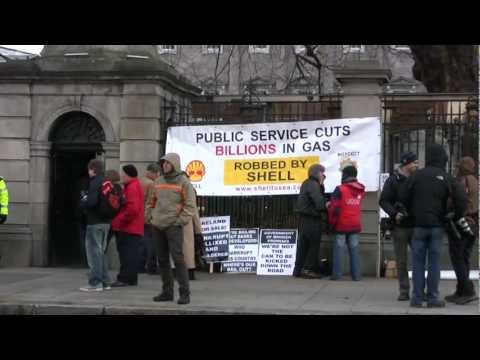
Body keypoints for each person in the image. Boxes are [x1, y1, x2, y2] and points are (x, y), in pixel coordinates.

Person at [400, 144, 468, 308]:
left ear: (427, 158)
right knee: (434, 263)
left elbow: (403, 197)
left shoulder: (416, 176)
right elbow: (461, 200)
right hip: (437, 225)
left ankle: (416, 299)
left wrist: (412, 212)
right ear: (442, 159)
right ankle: (432, 298)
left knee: (417, 263)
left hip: (418, 226)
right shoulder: (446, 177)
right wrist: (454, 215)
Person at [148, 153, 196, 305]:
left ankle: (184, 294)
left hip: (173, 226)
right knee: (162, 260)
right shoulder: (158, 181)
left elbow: (190, 205)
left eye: (168, 163)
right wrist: (150, 217)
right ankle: (167, 292)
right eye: (163, 163)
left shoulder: (184, 182)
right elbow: (150, 201)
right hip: (158, 225)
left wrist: (179, 221)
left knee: (178, 260)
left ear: (174, 164)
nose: (164, 166)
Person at [379, 152, 419, 301]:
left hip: (416, 225)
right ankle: (404, 290)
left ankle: (419, 290)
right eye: (414, 163)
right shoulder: (393, 180)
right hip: (400, 226)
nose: (416, 165)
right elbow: (383, 200)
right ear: (406, 164)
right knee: (401, 260)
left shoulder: (418, 179)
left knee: (419, 259)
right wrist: (394, 213)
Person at [445, 156, 478, 305]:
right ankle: (461, 290)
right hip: (473, 222)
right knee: (464, 257)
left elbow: (458, 200)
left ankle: (468, 291)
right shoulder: (475, 180)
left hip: (462, 221)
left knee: (458, 257)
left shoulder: (463, 181)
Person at [327, 161, 365, 281]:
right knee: (354, 250)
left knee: (339, 249)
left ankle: (337, 275)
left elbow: (335, 208)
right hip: (355, 223)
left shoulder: (340, 189)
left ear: (345, 175)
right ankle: (356, 276)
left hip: (342, 223)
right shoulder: (360, 189)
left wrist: (329, 208)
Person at [79, 159, 112, 292]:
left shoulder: (95, 182)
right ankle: (105, 282)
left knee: (94, 253)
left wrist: (84, 200)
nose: (89, 172)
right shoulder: (106, 181)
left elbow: (92, 203)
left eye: (89, 169)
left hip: (95, 222)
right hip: (106, 222)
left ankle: (95, 282)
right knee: (101, 252)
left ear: (93, 169)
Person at [111, 165, 145, 287]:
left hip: (129, 227)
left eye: (123, 175)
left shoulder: (132, 188)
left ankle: (124, 278)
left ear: (129, 176)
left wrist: (118, 220)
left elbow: (132, 209)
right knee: (131, 254)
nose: (121, 177)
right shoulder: (134, 186)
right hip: (133, 227)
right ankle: (130, 278)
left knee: (126, 255)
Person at [293, 164, 327, 279]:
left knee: (303, 245)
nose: (324, 175)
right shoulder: (314, 185)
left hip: (303, 219)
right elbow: (320, 203)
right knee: (313, 245)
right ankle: (308, 269)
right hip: (312, 219)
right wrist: (326, 204)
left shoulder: (306, 183)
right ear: (317, 173)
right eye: (322, 173)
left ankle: (297, 270)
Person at [140, 163, 161, 275]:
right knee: (151, 242)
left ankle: (139, 265)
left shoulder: (139, 182)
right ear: (153, 173)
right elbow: (151, 201)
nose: (158, 176)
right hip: (148, 217)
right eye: (157, 174)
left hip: (138, 217)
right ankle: (151, 266)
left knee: (141, 242)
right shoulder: (152, 184)